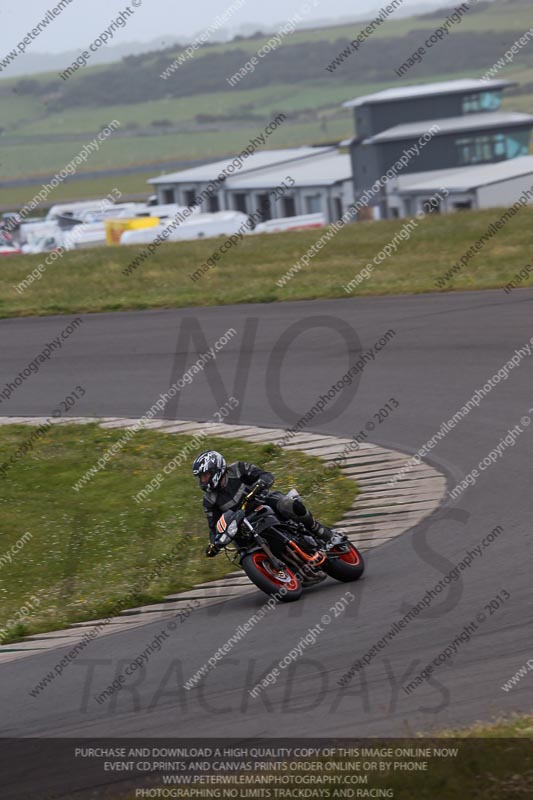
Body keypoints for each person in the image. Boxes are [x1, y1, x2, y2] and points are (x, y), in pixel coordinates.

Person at [192, 449, 342, 557]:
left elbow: (266, 475)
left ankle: (322, 533)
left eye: (205, 475)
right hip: (243, 524)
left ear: (216, 469)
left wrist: (260, 485)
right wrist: (214, 544)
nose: (203, 480)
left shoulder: (238, 469)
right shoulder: (209, 500)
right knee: (240, 547)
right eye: (201, 477)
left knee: (289, 505)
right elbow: (214, 526)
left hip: (262, 501)